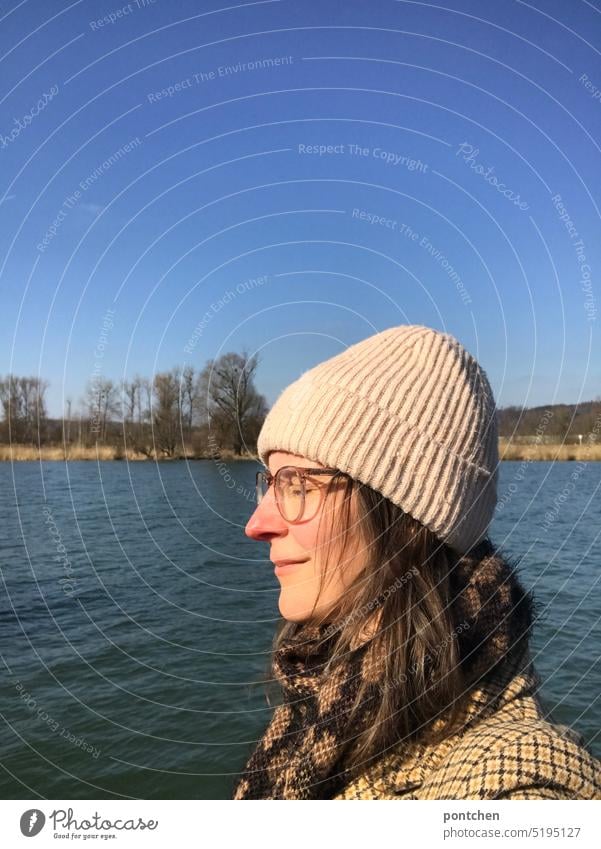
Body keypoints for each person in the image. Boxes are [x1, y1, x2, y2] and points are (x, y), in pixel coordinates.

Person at [232, 324, 601, 800]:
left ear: (405, 518)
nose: (257, 523)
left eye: (298, 485)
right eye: (271, 483)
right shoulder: (319, 704)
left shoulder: (511, 787)